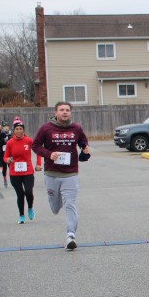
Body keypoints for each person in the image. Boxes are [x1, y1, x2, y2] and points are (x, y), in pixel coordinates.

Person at [32, 102, 91, 250]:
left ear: (70, 113)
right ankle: (56, 202)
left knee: (70, 204)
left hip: (71, 173)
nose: (65, 112)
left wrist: (85, 151)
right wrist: (49, 154)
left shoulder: (76, 128)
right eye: (62, 110)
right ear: (55, 113)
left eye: (67, 110)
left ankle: (71, 236)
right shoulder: (46, 128)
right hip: (51, 173)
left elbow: (83, 144)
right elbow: (35, 145)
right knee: (54, 207)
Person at [3, 118, 36, 224]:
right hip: (14, 172)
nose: (19, 131)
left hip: (28, 171)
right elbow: (5, 157)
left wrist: (39, 164)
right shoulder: (10, 143)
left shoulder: (29, 141)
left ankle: (30, 207)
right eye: (17, 129)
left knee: (28, 192)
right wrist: (7, 160)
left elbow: (38, 151)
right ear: (14, 130)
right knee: (20, 194)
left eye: (21, 129)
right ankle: (21, 215)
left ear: (23, 130)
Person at [0, 121, 11, 186]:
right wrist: (3, 140)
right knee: (4, 167)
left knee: (11, 166)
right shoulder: (0, 134)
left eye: (7, 127)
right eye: (4, 127)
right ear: (3, 128)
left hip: (10, 153)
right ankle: (5, 178)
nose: (6, 128)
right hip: (3, 153)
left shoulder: (11, 134)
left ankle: (13, 177)